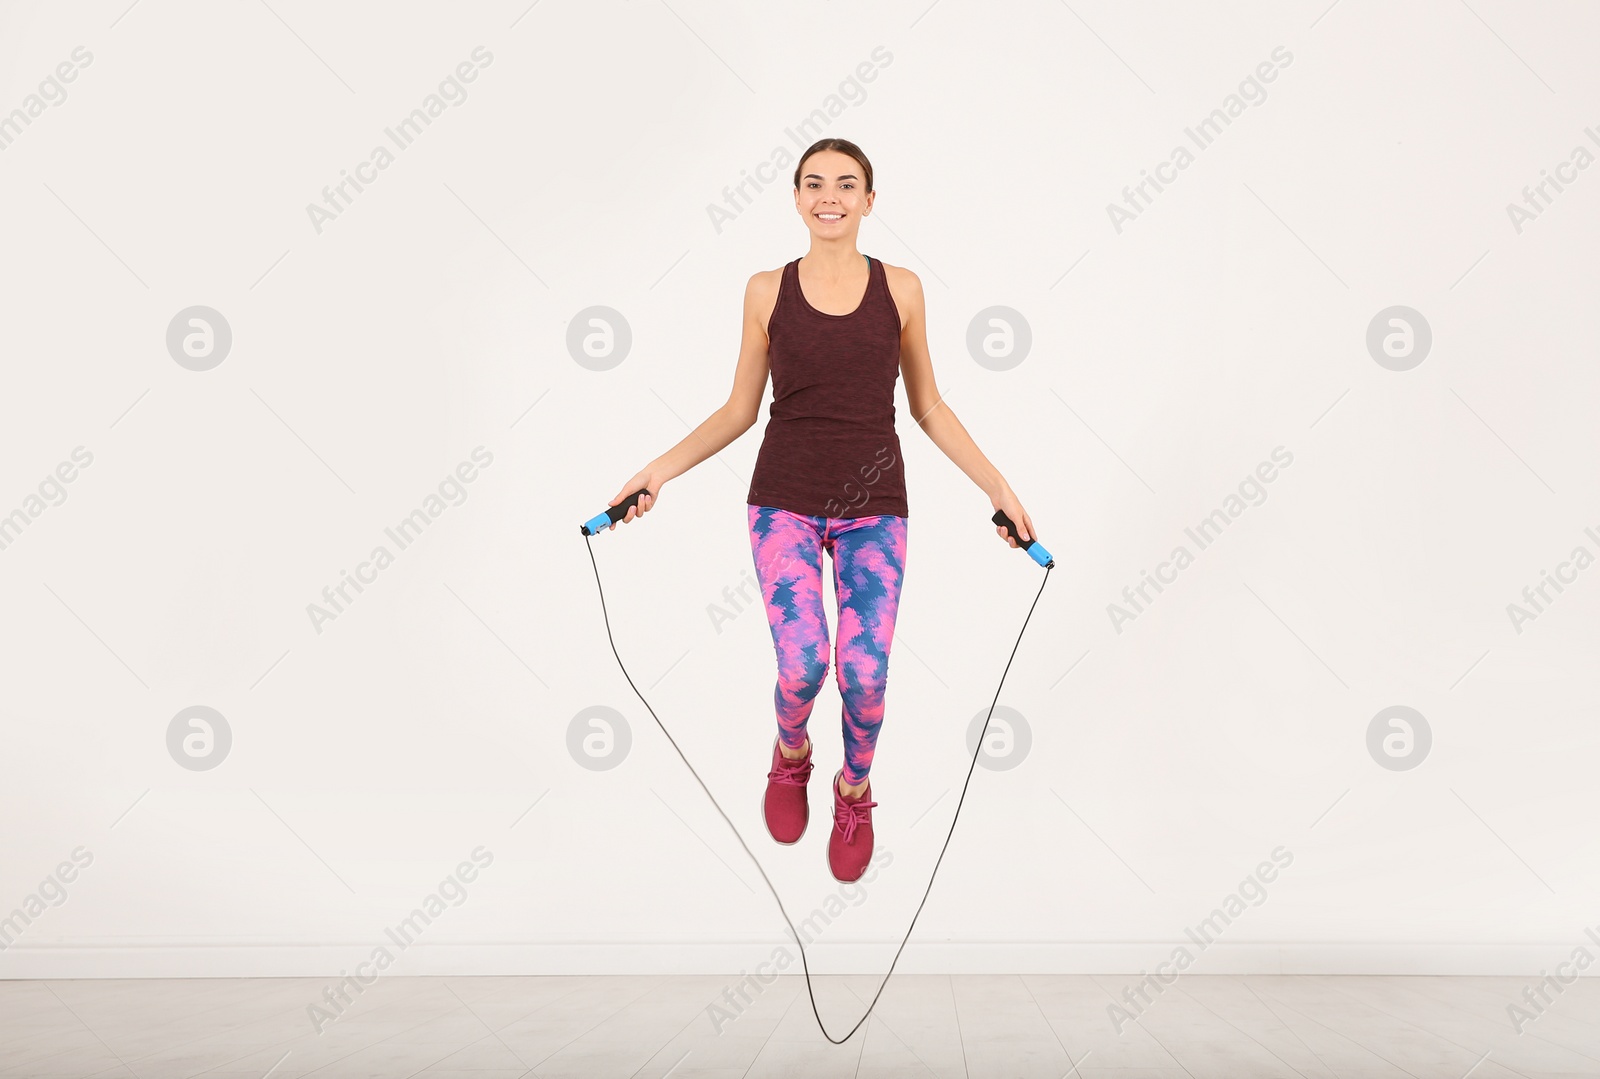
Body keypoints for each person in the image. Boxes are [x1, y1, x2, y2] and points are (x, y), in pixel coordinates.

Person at [605, 138, 1041, 883]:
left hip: (876, 507)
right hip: (786, 502)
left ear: (871, 200)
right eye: (814, 183)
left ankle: (854, 790)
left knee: (864, 674)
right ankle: (792, 754)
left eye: (846, 183)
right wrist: (658, 471)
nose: (829, 195)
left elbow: (928, 405)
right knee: (804, 663)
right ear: (797, 197)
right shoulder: (764, 290)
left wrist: (995, 484)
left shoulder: (900, 289)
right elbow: (740, 409)